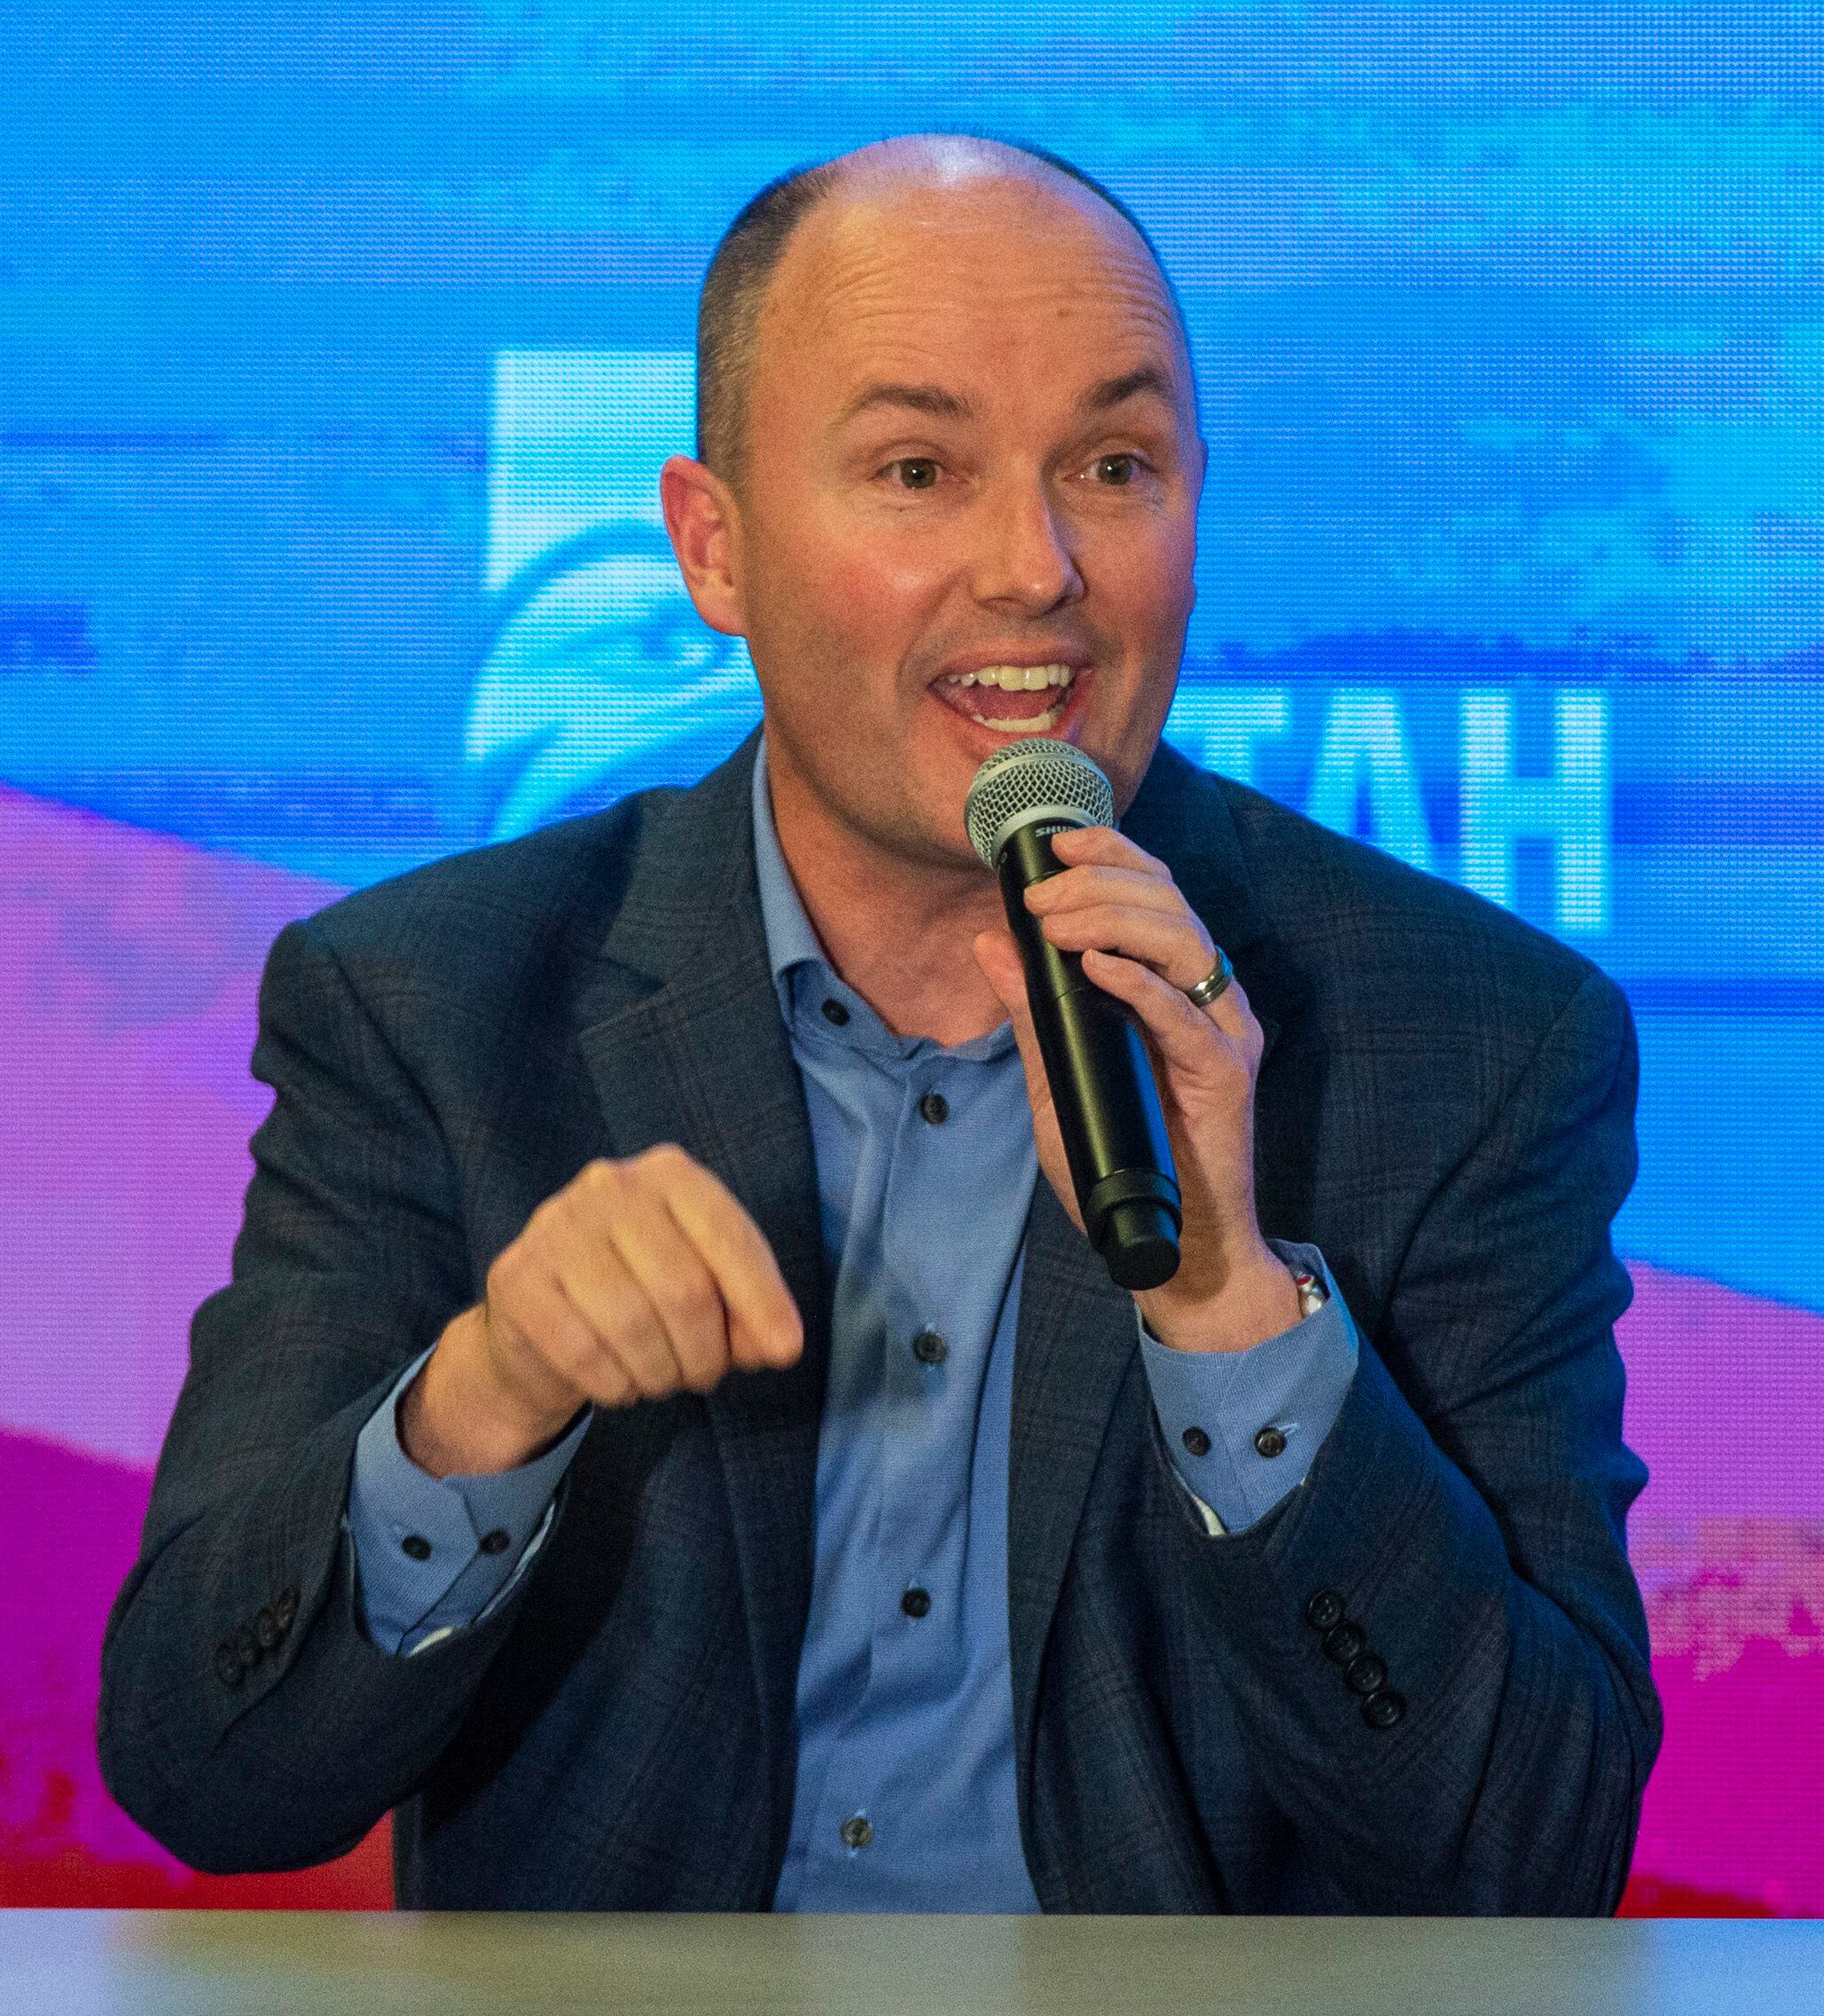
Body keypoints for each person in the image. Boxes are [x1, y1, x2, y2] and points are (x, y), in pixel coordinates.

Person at [98, 136, 1659, 1913]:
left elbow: (1535, 1844)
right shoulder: (435, 1011)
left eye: (1117, 465)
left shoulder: (1464, 1038)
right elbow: (199, 1769)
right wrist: (483, 1406)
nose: (1036, 567)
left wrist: (1230, 1303)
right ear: (716, 546)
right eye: (918, 470)